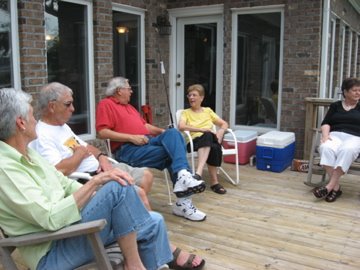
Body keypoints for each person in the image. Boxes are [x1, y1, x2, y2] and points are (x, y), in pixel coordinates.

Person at [0, 88, 205, 270]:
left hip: (69, 230)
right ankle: (134, 265)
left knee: (154, 220)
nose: (35, 119)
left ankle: (147, 264)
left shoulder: (29, 155)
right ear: (20, 123)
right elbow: (50, 218)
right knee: (117, 186)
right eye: (30, 114)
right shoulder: (6, 169)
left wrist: (102, 197)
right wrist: (97, 182)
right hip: (52, 250)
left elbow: (66, 184)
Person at [96, 77, 206, 222]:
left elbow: (145, 127)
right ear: (119, 91)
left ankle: (183, 176)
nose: (131, 91)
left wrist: (164, 133)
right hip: (127, 149)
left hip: (147, 142)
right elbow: (102, 132)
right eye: (129, 88)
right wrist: (131, 137)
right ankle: (183, 200)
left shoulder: (130, 107)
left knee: (174, 134)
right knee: (172, 153)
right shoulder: (106, 104)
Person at [29, 82, 152, 210]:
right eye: (68, 104)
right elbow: (58, 170)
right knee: (139, 194)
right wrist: (80, 153)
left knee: (146, 176)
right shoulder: (43, 135)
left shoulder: (62, 126)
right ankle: (132, 218)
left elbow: (88, 147)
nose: (73, 108)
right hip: (88, 180)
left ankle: (129, 215)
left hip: (101, 168)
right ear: (52, 106)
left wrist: (101, 157)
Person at [312, 77, 360, 202]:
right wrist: (325, 135)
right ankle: (336, 187)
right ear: (345, 92)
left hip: (355, 137)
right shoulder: (335, 106)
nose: (358, 93)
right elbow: (326, 123)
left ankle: (329, 187)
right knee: (325, 147)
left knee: (347, 150)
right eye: (354, 90)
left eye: (359, 90)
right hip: (335, 135)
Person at [178, 84, 228, 194]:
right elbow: (181, 126)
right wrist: (201, 130)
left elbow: (224, 123)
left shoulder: (208, 111)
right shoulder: (185, 113)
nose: (191, 97)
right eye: (189, 95)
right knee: (211, 139)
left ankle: (202, 176)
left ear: (201, 98)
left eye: (194, 95)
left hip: (209, 139)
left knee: (213, 144)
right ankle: (211, 181)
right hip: (193, 142)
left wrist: (221, 131)